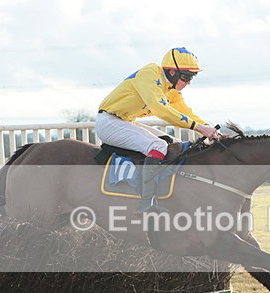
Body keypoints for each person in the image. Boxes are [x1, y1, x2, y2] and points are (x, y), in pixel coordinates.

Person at [95, 47, 222, 213]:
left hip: (124, 121)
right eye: (186, 76)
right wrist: (199, 128)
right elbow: (161, 109)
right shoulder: (150, 75)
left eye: (192, 77)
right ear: (171, 71)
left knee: (174, 144)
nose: (189, 81)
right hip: (108, 123)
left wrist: (209, 129)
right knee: (158, 146)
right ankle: (146, 203)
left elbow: (184, 111)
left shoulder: (171, 89)